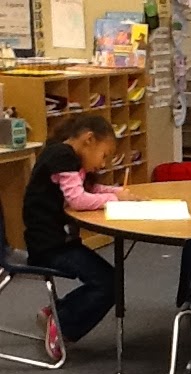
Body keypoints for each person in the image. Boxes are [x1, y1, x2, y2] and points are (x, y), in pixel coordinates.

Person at [22, 113, 136, 360]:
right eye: (104, 155)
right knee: (109, 284)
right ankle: (63, 324)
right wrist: (115, 199)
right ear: (89, 140)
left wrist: (118, 192)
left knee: (109, 280)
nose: (104, 164)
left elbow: (89, 190)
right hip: (50, 246)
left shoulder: (68, 158)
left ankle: (58, 311)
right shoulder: (63, 157)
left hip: (57, 242)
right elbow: (78, 199)